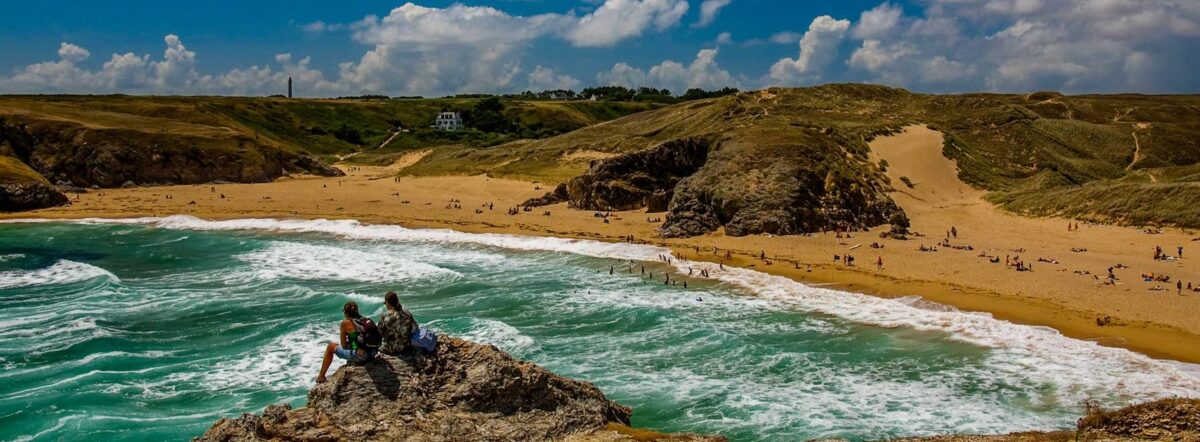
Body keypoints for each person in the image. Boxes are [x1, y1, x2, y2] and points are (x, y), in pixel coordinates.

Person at [316, 301, 379, 383]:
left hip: (362, 356)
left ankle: (321, 377)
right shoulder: (366, 321)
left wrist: (356, 348)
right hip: (373, 353)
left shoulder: (345, 323)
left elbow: (344, 345)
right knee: (354, 345)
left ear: (346, 313)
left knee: (331, 347)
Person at [380, 292, 419, 356]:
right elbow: (415, 329)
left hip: (390, 348)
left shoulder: (384, 316)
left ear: (389, 304)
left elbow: (380, 333)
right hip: (406, 346)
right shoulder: (406, 313)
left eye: (385, 303)